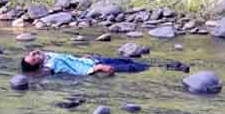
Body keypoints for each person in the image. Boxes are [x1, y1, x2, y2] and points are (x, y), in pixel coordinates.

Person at [20, 49, 149, 75]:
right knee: (136, 67)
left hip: (92, 60)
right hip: (96, 68)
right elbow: (75, 71)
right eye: (33, 58)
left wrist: (81, 58)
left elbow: (69, 60)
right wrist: (98, 69)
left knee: (127, 60)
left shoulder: (47, 55)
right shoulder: (50, 66)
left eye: (31, 54)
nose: (33, 54)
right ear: (38, 65)